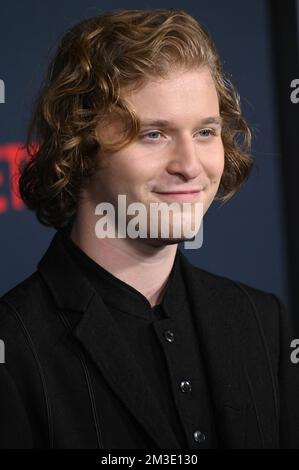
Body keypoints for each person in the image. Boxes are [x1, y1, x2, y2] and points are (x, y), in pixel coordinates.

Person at [0, 8, 298, 449]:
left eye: (204, 132)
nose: (189, 166)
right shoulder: (13, 346)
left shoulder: (261, 320)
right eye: (153, 134)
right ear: (79, 148)